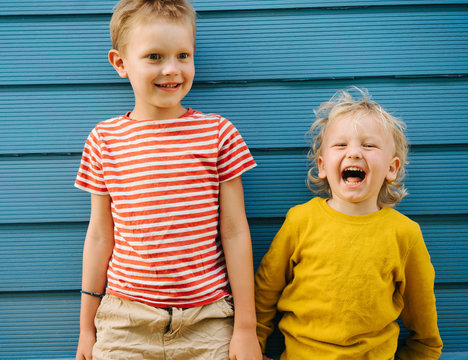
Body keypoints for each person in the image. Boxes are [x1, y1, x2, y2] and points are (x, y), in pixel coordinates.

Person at [74, 0, 262, 359]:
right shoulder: (104, 139)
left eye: (183, 56)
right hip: (125, 322)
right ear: (120, 63)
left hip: (207, 321)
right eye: (155, 57)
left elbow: (235, 230)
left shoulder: (217, 134)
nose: (172, 70)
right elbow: (99, 234)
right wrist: (86, 329)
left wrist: (245, 328)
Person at [254, 88, 443, 360]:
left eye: (369, 145)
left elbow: (426, 335)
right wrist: (254, 345)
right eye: (341, 145)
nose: (354, 153)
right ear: (322, 165)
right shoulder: (301, 220)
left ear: (392, 168)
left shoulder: (404, 234)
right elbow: (264, 294)